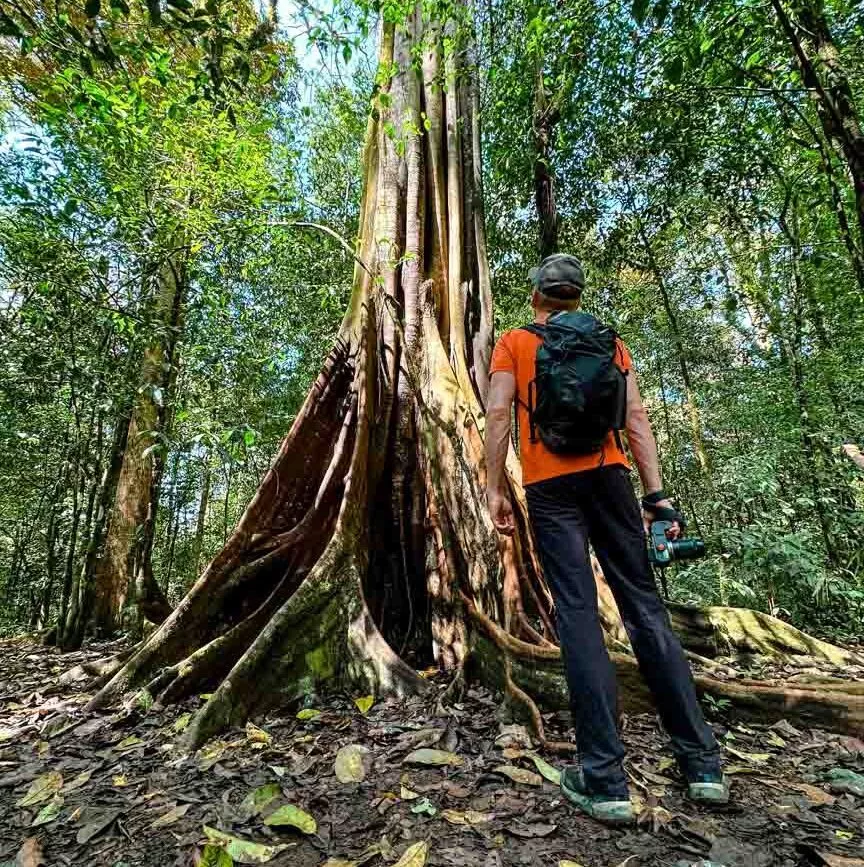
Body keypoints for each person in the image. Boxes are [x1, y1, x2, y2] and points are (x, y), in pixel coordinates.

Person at [484, 253, 727, 825]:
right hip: (611, 480)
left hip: (550, 489)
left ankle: (606, 779)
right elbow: (635, 418)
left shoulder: (515, 343)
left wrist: (495, 487)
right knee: (646, 610)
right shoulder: (609, 342)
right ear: (576, 295)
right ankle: (703, 767)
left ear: (538, 295)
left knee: (577, 615)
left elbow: (498, 415)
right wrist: (656, 494)